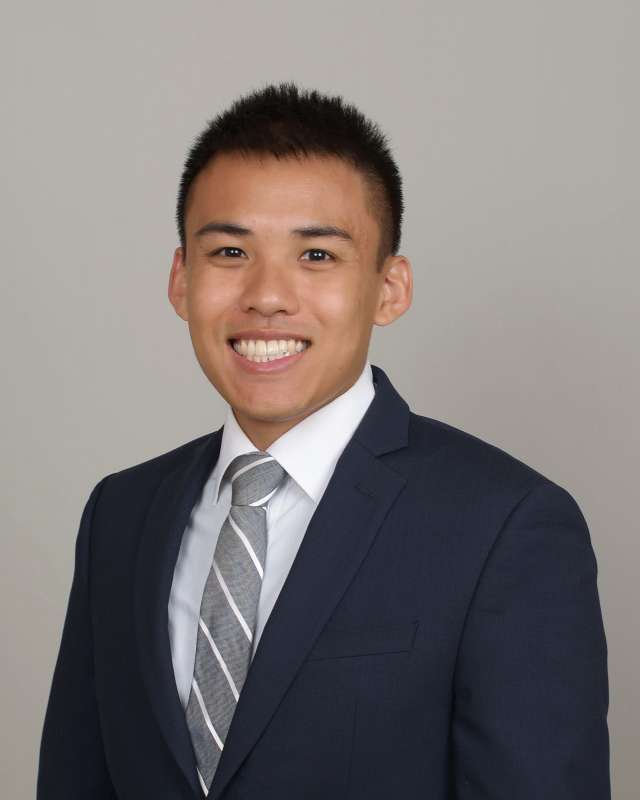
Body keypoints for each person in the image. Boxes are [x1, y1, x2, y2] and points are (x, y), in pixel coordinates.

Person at [37, 81, 610, 799]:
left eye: (316, 256)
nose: (268, 295)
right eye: (228, 252)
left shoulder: (505, 526)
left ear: (389, 288)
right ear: (181, 280)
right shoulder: (120, 515)